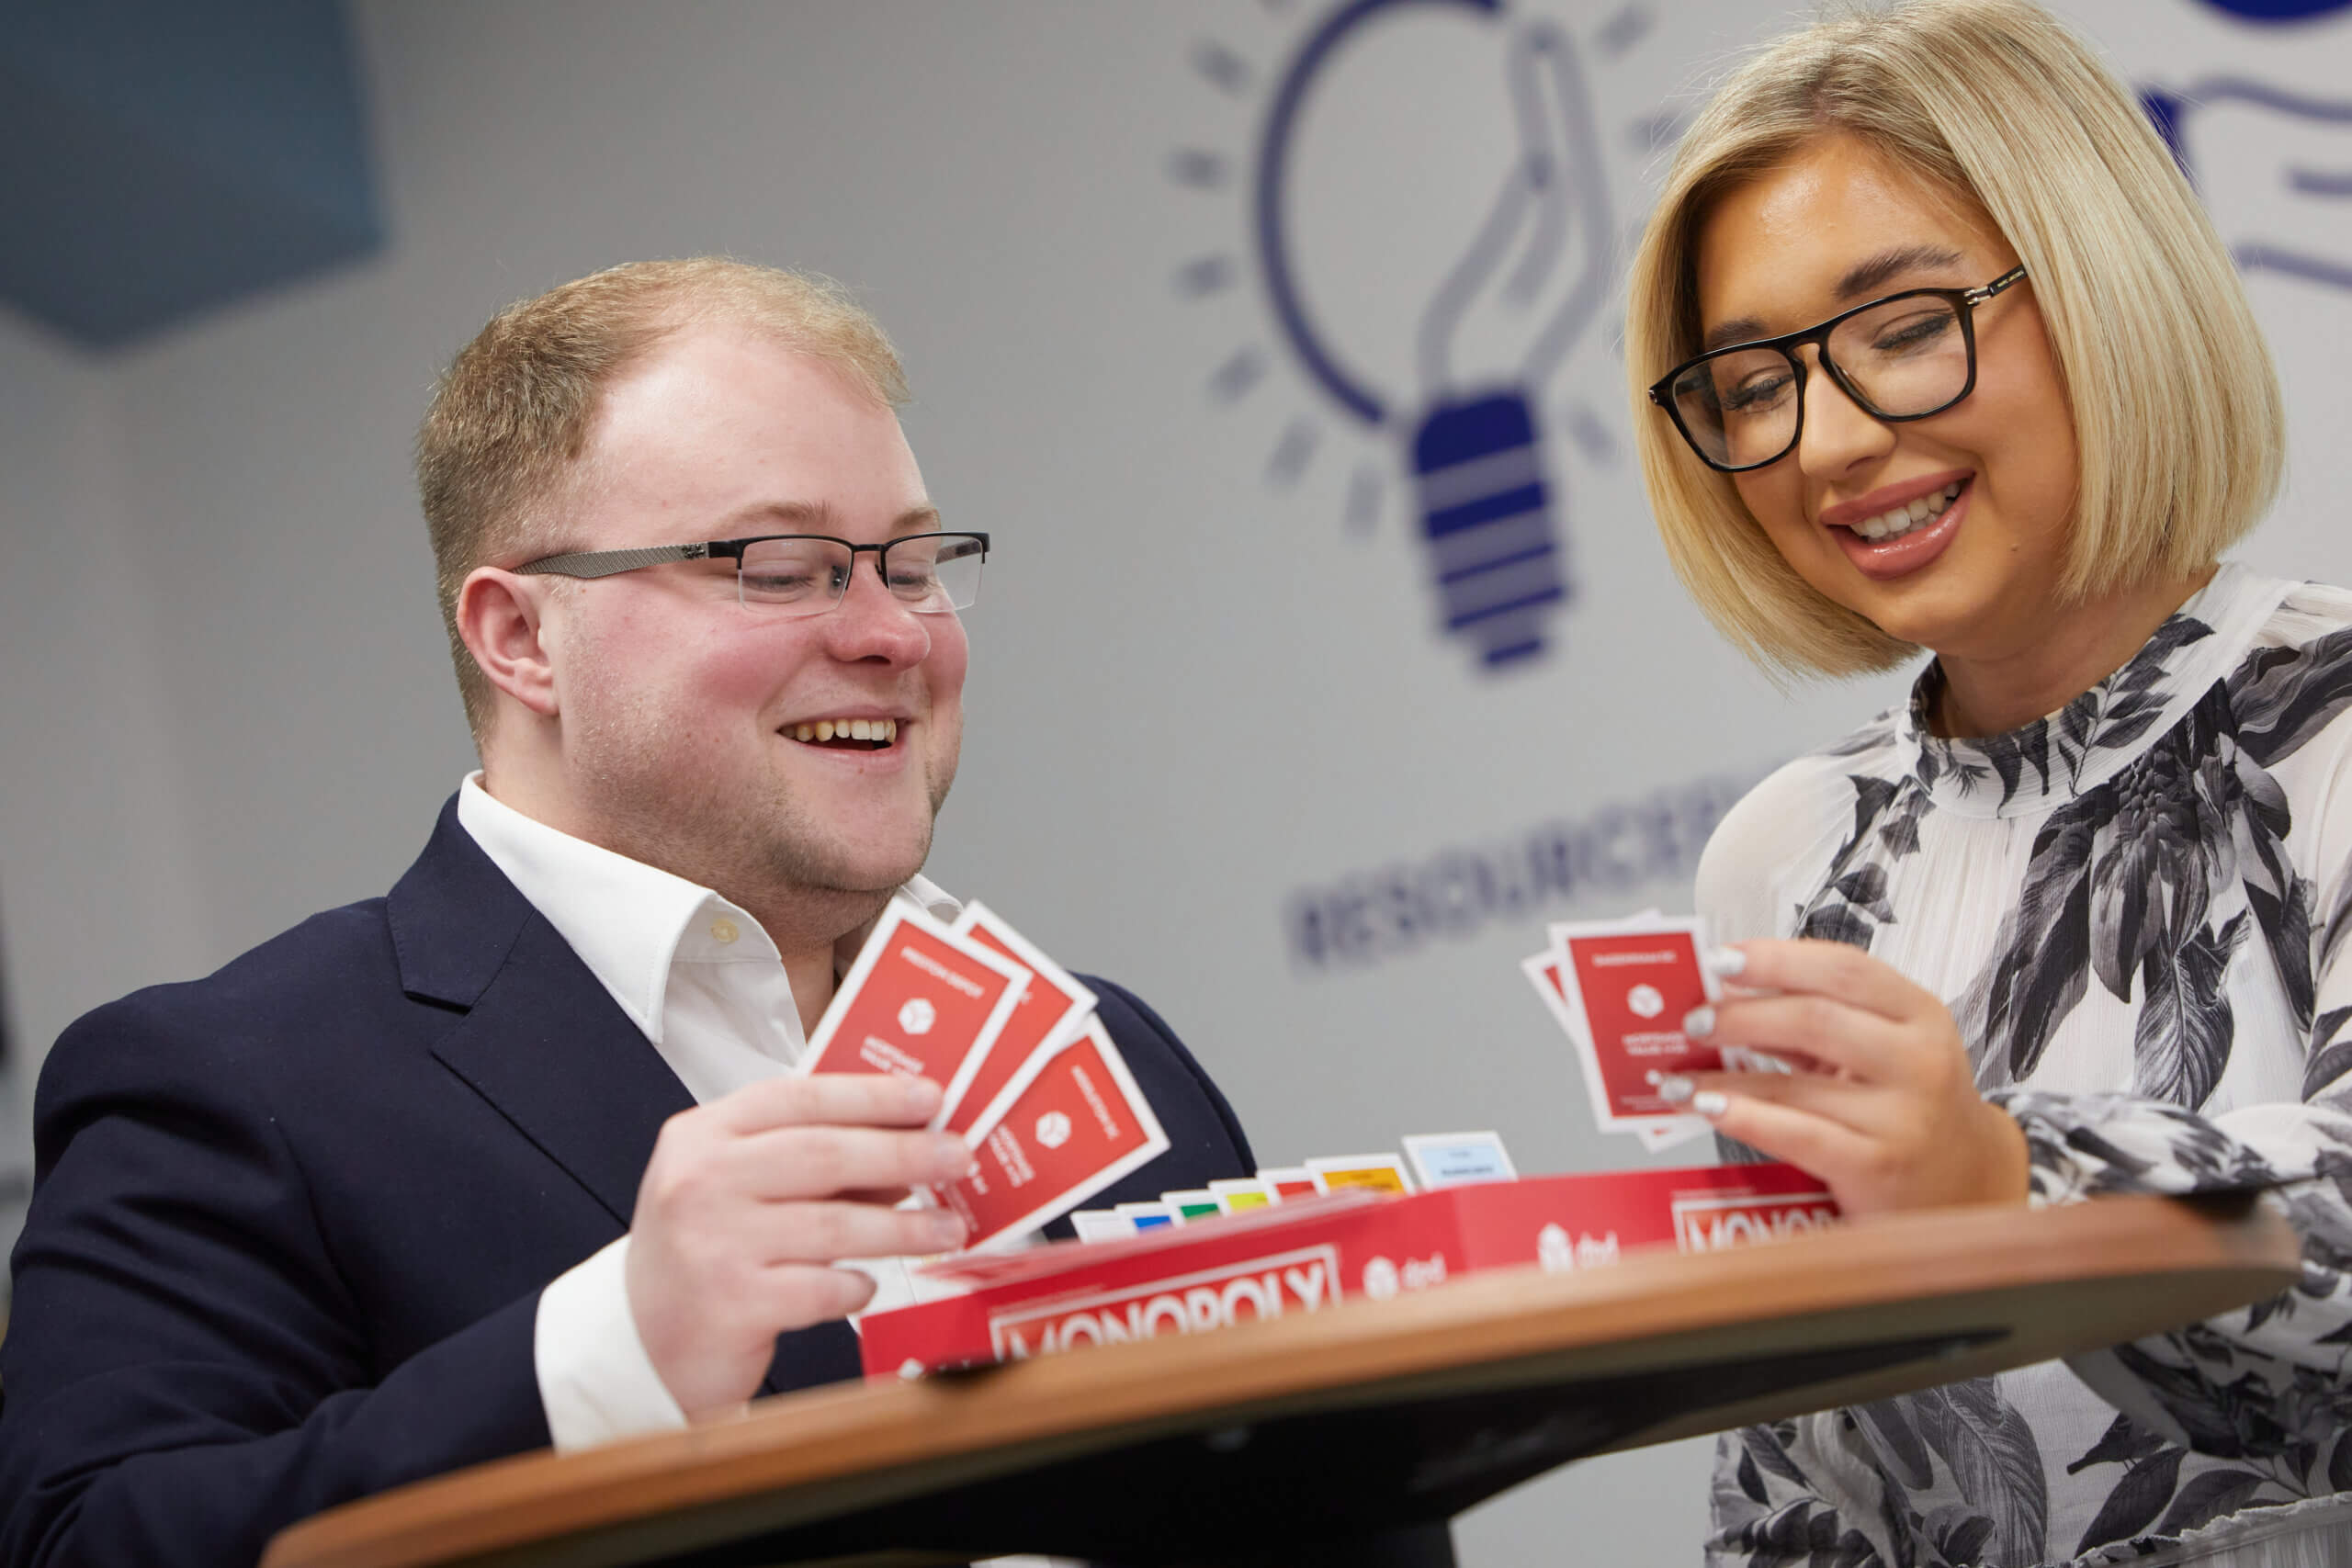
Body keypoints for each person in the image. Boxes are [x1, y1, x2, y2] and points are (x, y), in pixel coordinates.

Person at [0, 258, 1254, 1565]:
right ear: (522, 639)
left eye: (916, 561)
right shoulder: (231, 1085)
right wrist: (608, 1358)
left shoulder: (1114, 1056)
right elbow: (89, 1546)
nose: (894, 633)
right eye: (780, 567)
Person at [1624, 2, 2352, 1563]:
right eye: (1750, 385)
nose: (1825, 441)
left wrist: (2011, 1176)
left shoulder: (2331, 716)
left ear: (2102, 290)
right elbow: (1797, 1488)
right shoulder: (1787, 861)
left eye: (1901, 327)